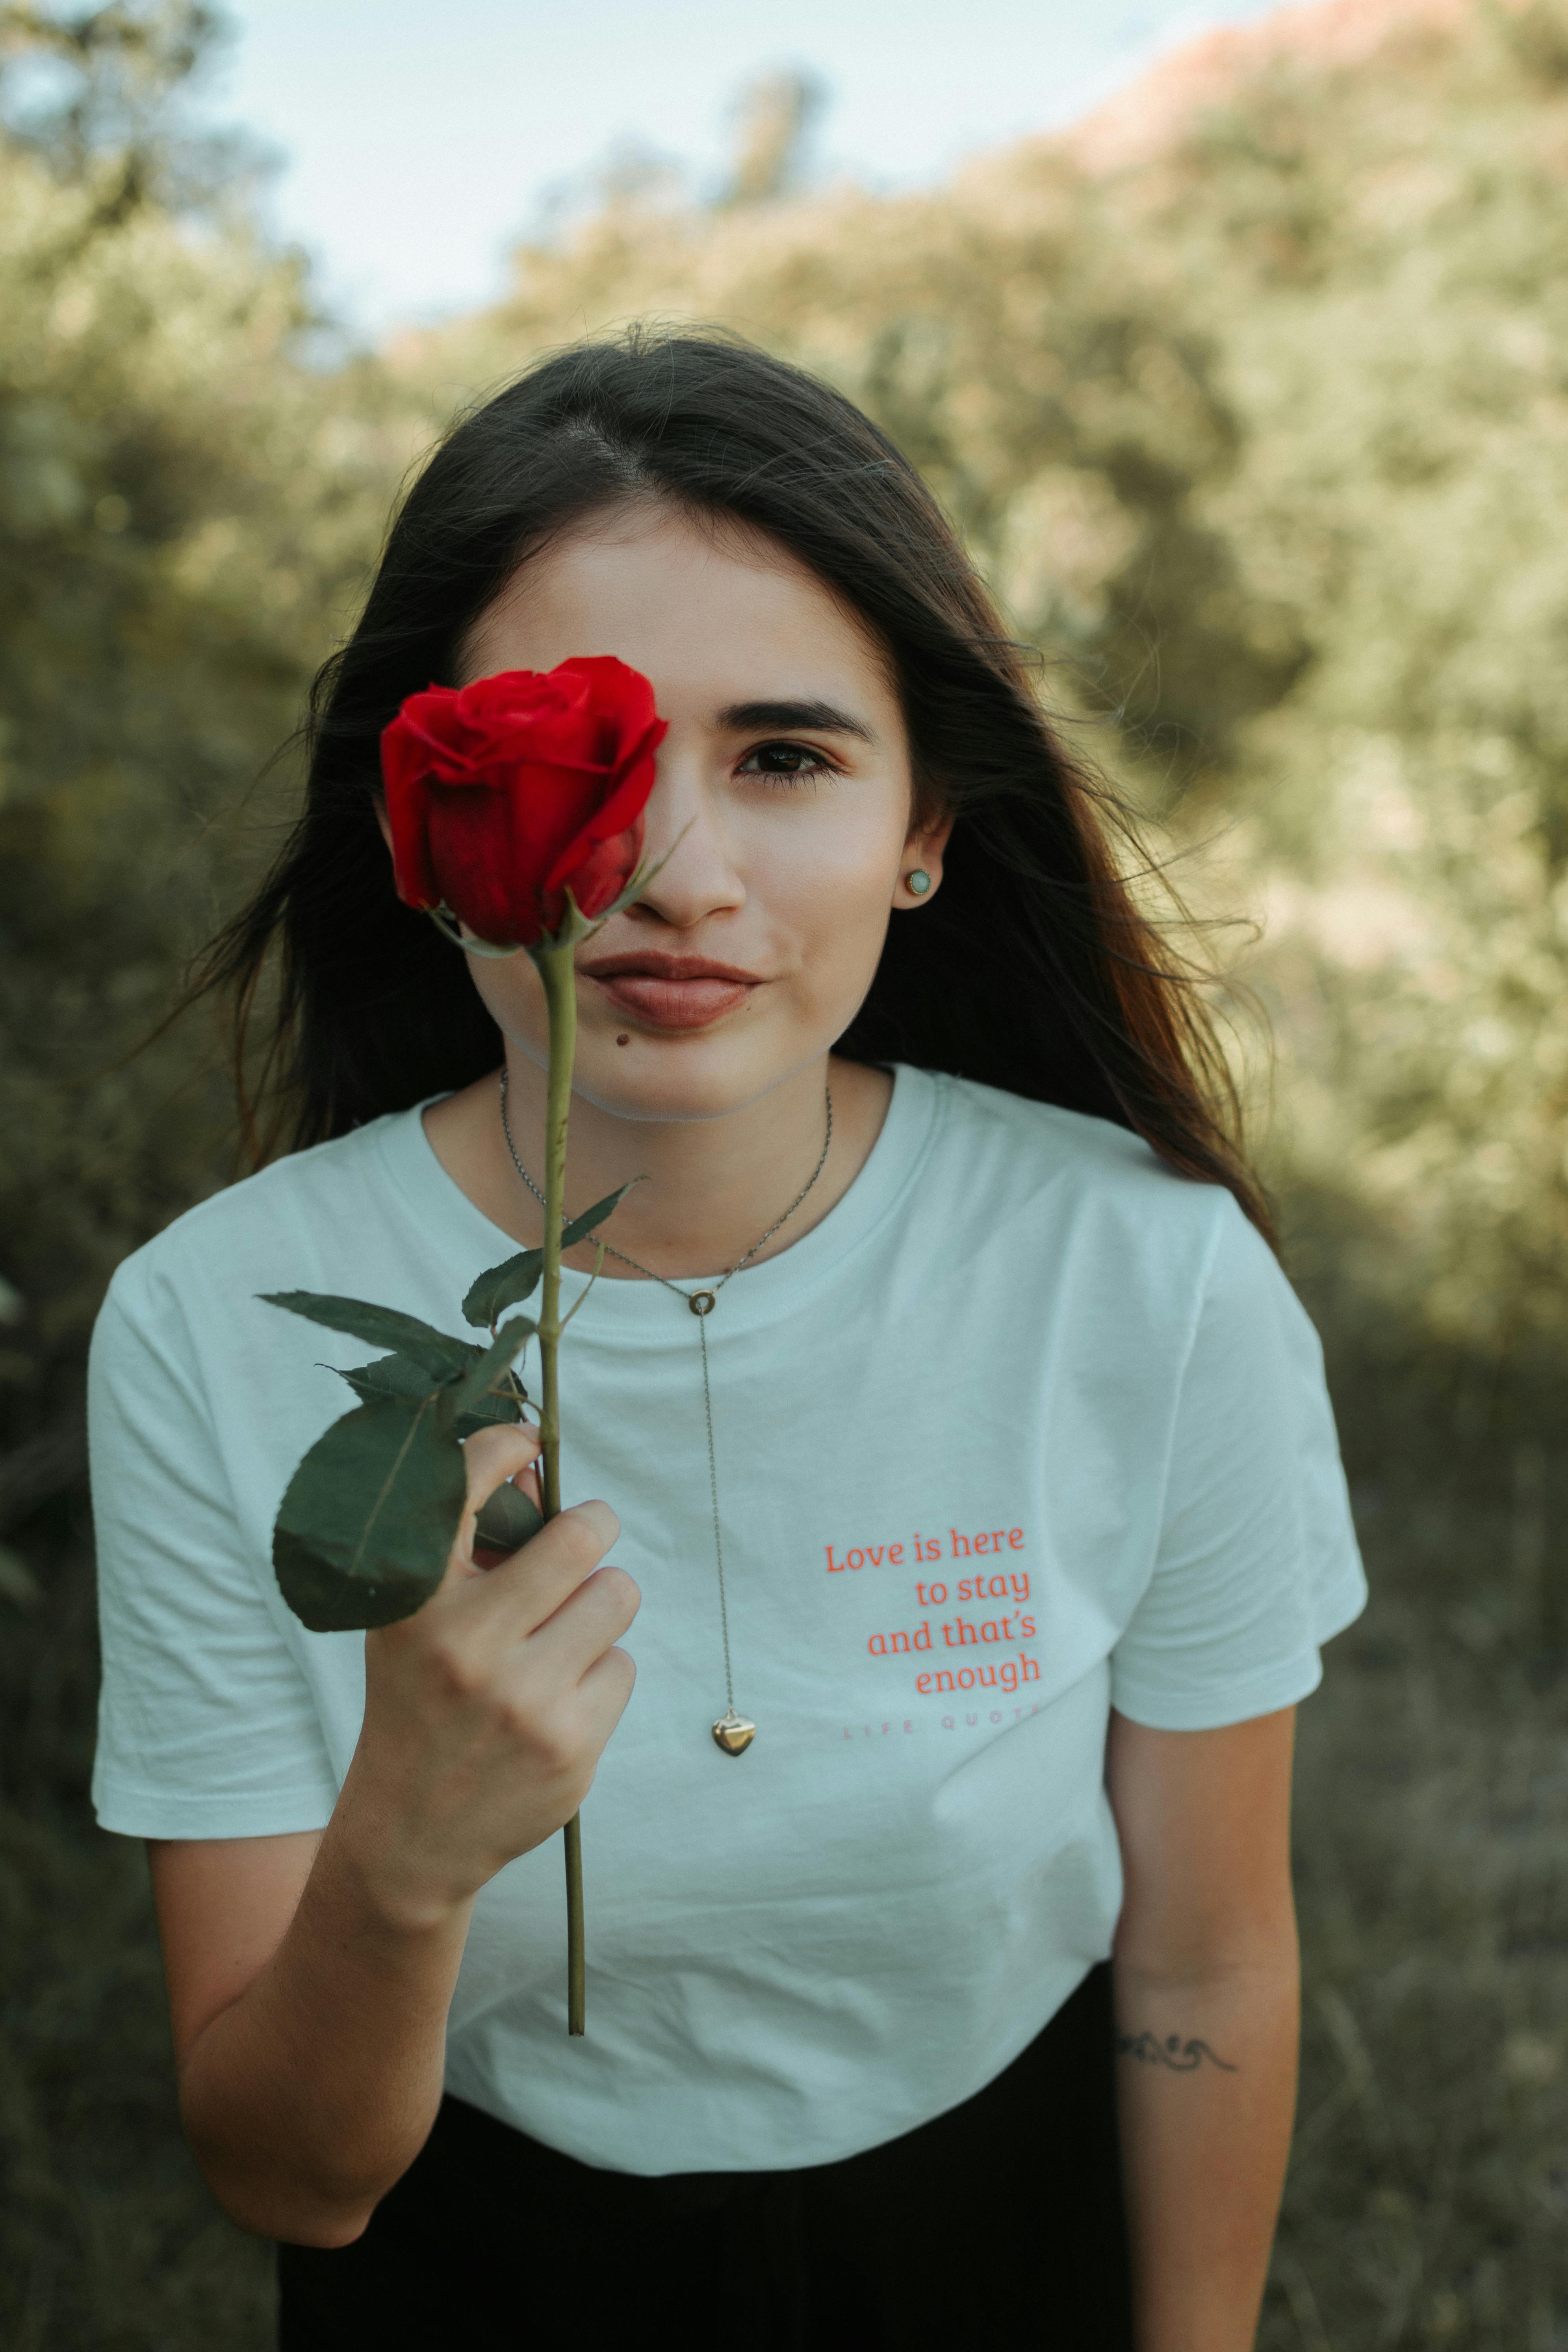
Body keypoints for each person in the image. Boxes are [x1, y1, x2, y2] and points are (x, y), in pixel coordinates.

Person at [89, 329, 1365, 2351]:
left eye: (785, 757)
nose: (674, 875)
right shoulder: (211, 1324)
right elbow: (283, 2170)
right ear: (428, 832)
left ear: (927, 824)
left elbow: (1207, 1967)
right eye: (572, 765)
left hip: (999, 2222)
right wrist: (403, 1855)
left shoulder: (1147, 1274)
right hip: (473, 2255)